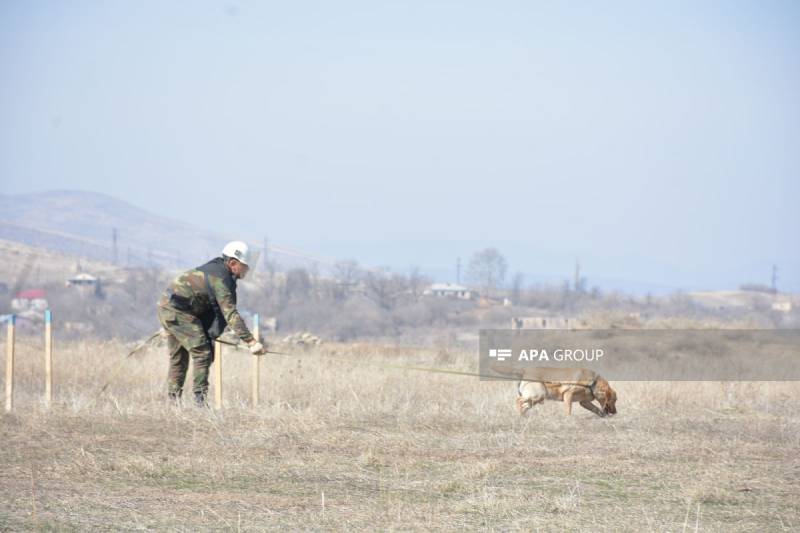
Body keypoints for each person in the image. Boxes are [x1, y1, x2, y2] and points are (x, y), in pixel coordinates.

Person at [157, 241, 266, 405]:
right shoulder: (221, 279)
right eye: (245, 266)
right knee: (202, 353)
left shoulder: (216, 269)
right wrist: (251, 341)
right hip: (178, 312)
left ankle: (173, 403)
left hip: (170, 308)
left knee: (179, 357)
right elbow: (230, 315)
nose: (247, 270)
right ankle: (200, 402)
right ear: (232, 263)